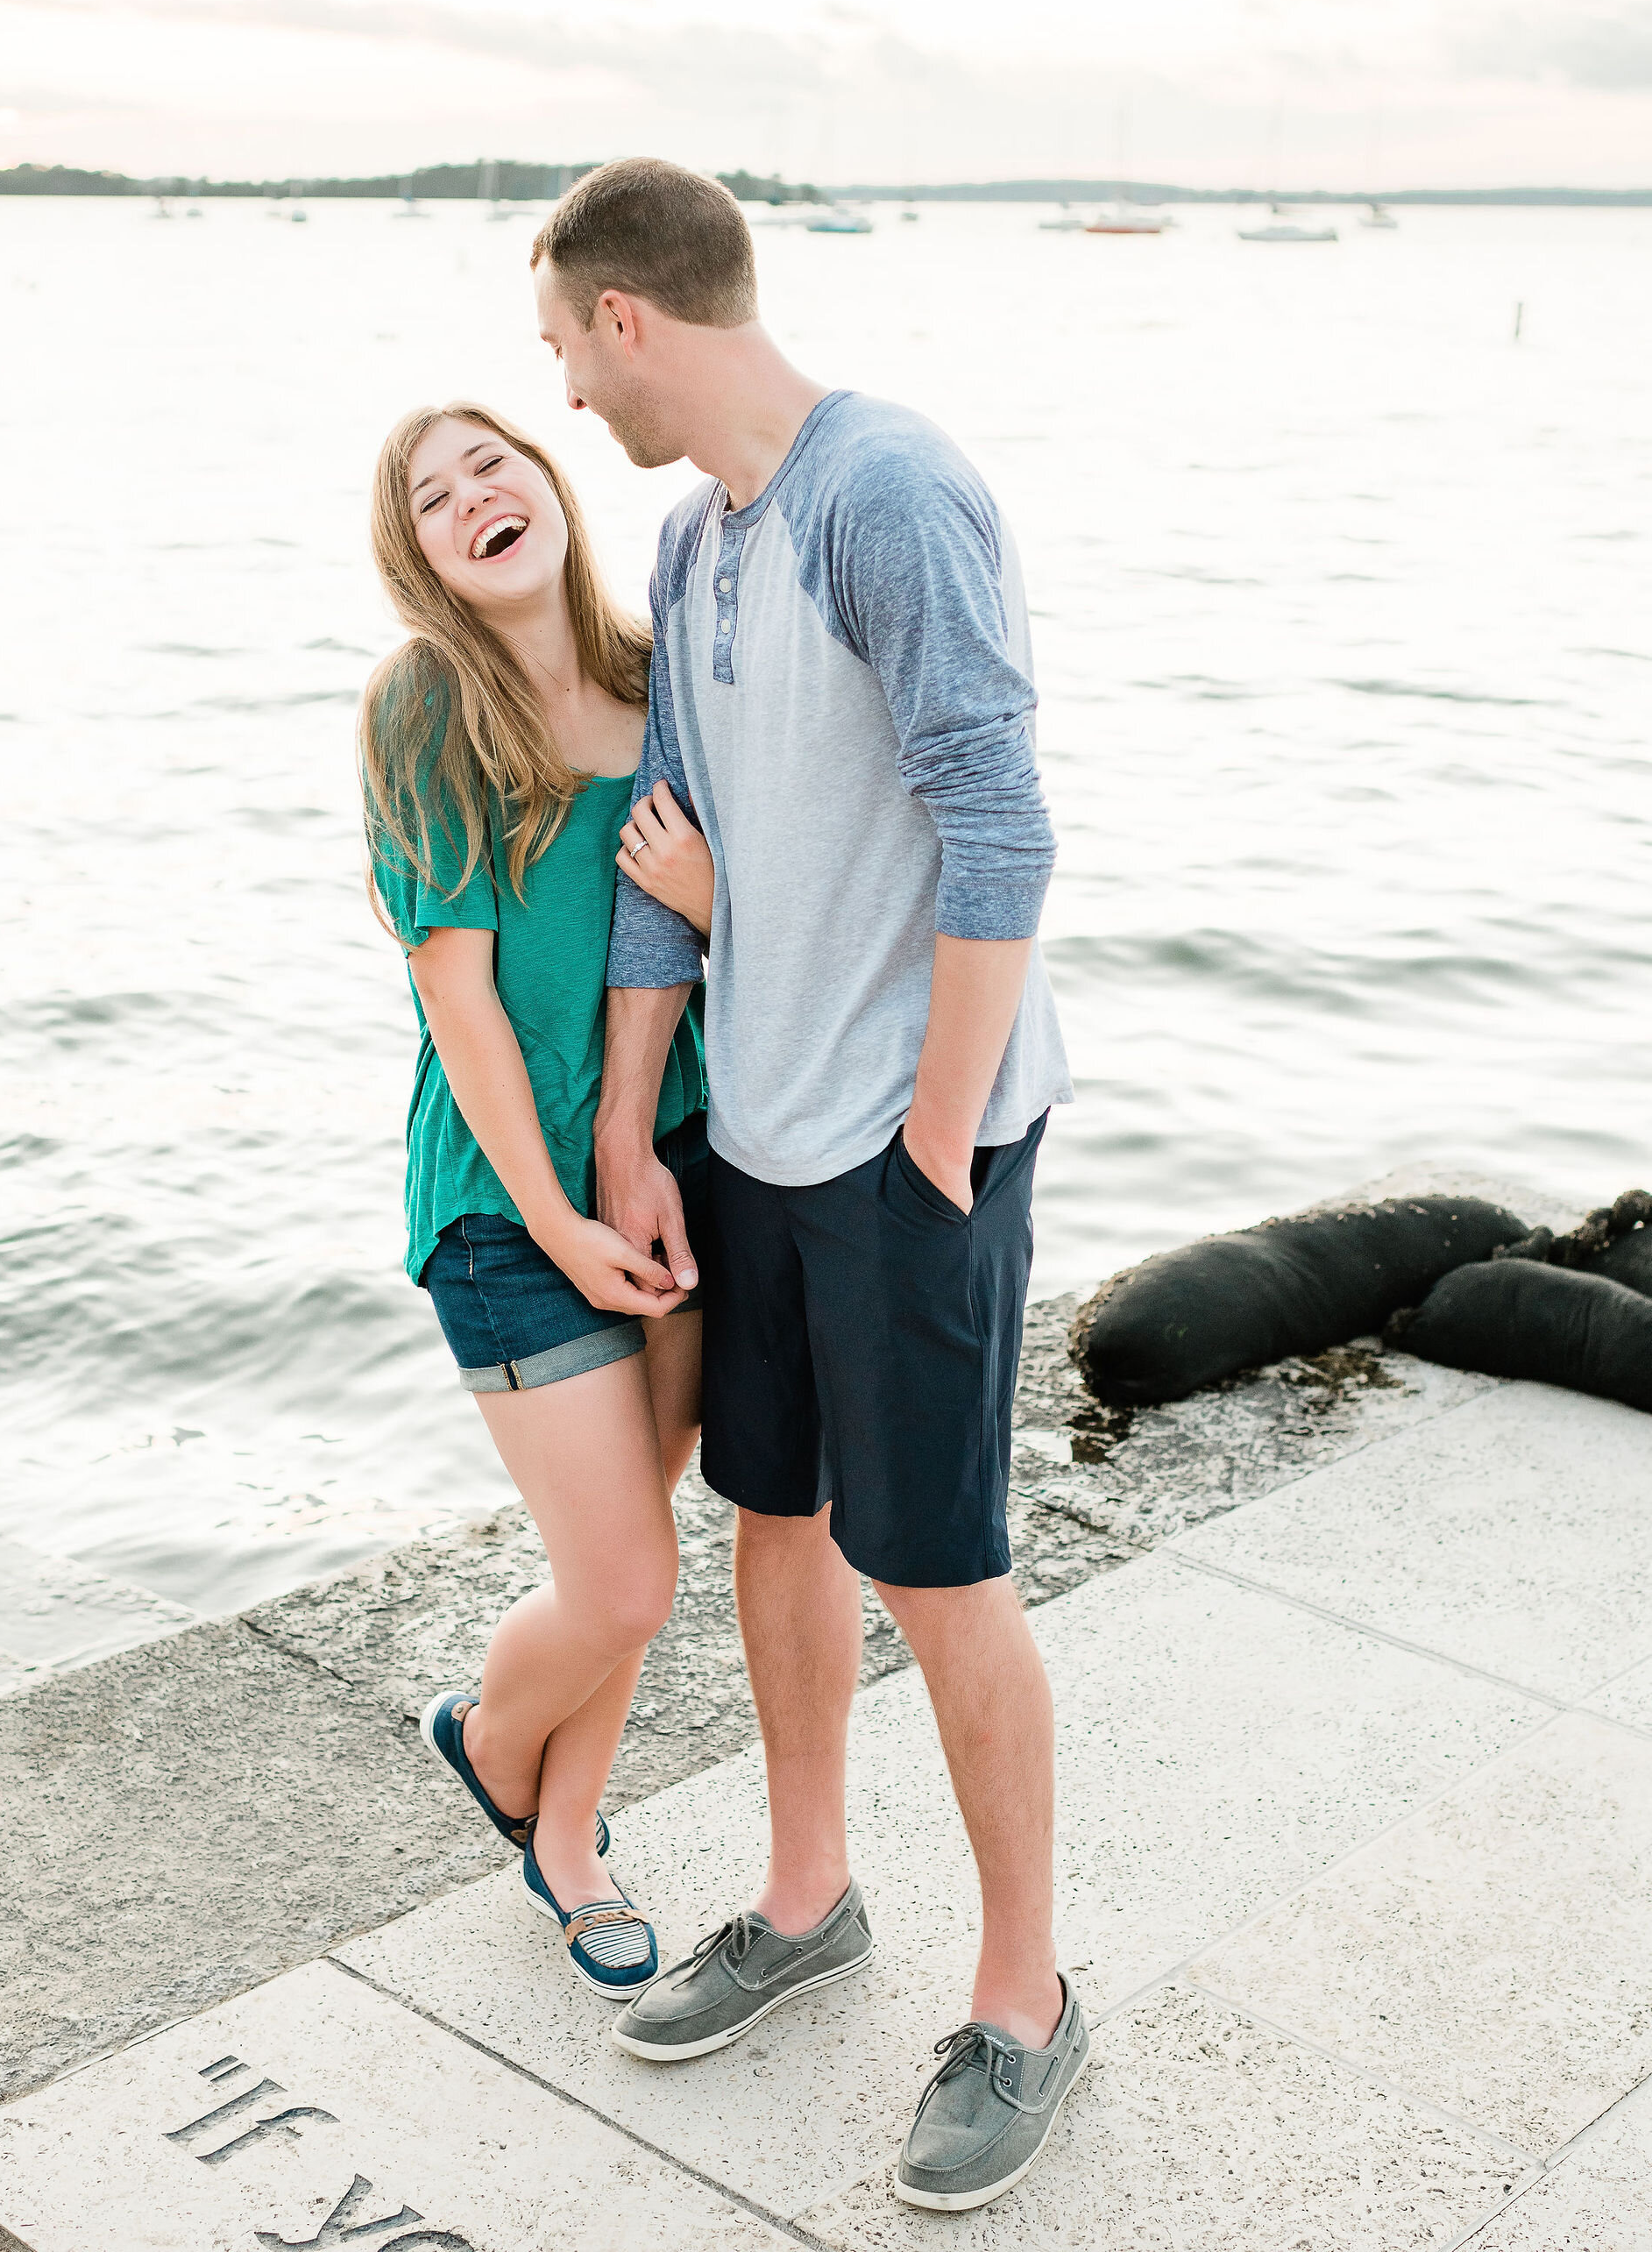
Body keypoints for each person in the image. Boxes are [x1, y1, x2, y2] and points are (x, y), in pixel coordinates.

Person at [528, 160, 1088, 2213]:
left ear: (626, 319)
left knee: (937, 1568)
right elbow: (674, 853)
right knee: (777, 1518)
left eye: (564, 353)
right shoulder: (692, 538)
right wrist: (628, 1133)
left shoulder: (889, 491)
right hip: (752, 1139)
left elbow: (998, 824)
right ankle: (804, 1894)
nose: (571, 404)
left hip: (901, 1148)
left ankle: (1023, 2002)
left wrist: (939, 1132)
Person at [360, 396, 715, 2001]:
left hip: (677, 1164)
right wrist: (558, 1216)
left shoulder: (664, 674)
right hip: (510, 1210)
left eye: (491, 461)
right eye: (436, 499)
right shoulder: (428, 707)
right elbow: (464, 1006)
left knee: (633, 1538)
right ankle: (491, 1737)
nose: (476, 497)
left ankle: (571, 1842)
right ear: (423, 558)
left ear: (547, 481)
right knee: (625, 1574)